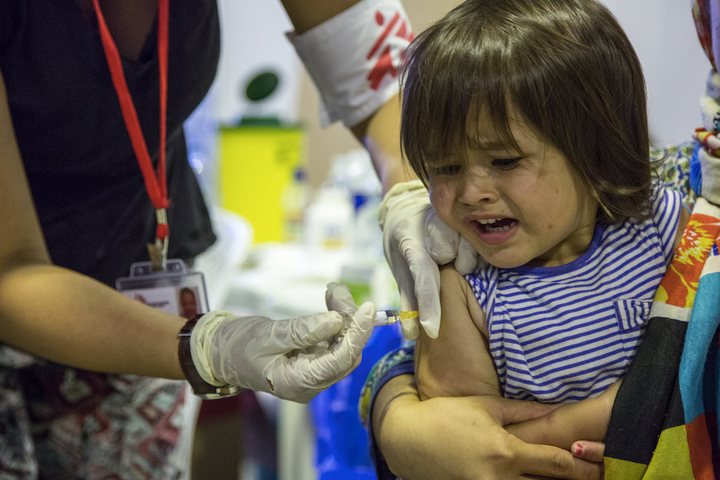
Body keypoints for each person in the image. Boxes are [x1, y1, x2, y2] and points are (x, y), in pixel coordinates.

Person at [0, 0, 457, 477]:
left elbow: (379, 81)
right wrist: (210, 347)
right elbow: (11, 270)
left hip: (150, 274)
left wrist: (407, 193)